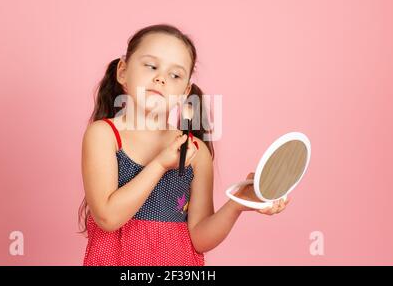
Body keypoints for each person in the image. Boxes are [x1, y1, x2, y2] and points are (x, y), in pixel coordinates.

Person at [78, 24, 289, 266]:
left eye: (175, 75)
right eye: (151, 66)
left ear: (185, 91)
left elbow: (199, 238)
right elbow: (107, 217)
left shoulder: (194, 152)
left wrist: (237, 203)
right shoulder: (104, 135)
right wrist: (159, 165)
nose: (160, 78)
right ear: (123, 71)